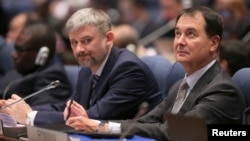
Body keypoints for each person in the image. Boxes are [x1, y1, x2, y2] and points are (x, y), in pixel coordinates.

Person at [62, 6, 246, 141]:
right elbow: (144, 122)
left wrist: (100, 126)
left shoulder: (222, 91)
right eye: (177, 33)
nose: (180, 41)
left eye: (191, 34)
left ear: (214, 43)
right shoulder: (179, 86)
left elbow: (175, 132)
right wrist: (101, 126)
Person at [0, 8, 162, 125]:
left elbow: (91, 117)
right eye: (74, 42)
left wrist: (30, 116)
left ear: (109, 38)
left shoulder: (128, 68)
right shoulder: (88, 66)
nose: (79, 49)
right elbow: (69, 108)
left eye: (86, 41)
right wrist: (18, 109)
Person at [0, 22, 71, 106]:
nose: (14, 54)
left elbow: (39, 113)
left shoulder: (52, 77)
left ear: (42, 54)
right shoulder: (18, 71)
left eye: (21, 50)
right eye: (15, 48)